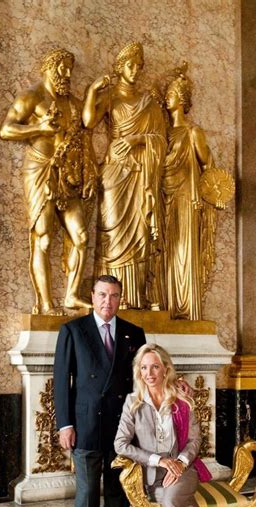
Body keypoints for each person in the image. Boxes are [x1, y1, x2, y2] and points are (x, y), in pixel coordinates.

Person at [114, 344, 251, 507]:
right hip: (155, 476)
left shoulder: (180, 399)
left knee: (171, 502)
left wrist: (178, 461)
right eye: (144, 368)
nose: (149, 373)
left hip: (185, 472)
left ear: (165, 368)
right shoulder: (134, 402)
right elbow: (121, 444)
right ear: (138, 371)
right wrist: (159, 461)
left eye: (155, 366)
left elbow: (194, 440)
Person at [54, 275, 146, 507]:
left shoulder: (135, 334)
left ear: (121, 299)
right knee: (89, 497)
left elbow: (143, 381)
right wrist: (65, 424)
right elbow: (61, 381)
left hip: (122, 430)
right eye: (103, 295)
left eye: (115, 296)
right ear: (92, 297)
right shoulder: (73, 331)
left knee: (119, 497)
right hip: (87, 428)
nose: (108, 302)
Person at [0, 48, 96, 314]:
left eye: (69, 69)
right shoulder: (32, 97)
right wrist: (38, 129)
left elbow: (84, 141)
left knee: (81, 236)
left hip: (69, 176)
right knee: (43, 238)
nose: (66, 74)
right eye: (62, 68)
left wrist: (90, 175)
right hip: (40, 170)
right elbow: (6, 129)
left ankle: (71, 295)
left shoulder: (73, 104)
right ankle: (44, 303)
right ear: (49, 68)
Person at [82, 41, 167, 310]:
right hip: (115, 171)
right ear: (120, 68)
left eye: (138, 66)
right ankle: (107, 298)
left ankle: (135, 297)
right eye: (130, 65)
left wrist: (136, 140)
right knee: (112, 229)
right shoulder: (111, 97)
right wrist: (91, 91)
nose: (134, 71)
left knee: (139, 230)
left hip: (140, 174)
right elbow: (88, 122)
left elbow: (161, 140)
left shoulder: (147, 102)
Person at [162, 65, 217, 320]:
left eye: (171, 94)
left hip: (186, 197)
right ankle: (167, 305)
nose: (167, 98)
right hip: (165, 196)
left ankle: (186, 309)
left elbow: (207, 164)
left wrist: (211, 195)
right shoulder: (163, 134)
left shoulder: (192, 132)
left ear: (182, 99)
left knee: (185, 251)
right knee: (167, 251)